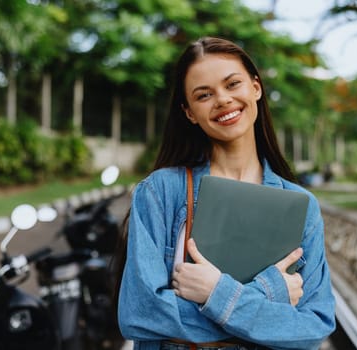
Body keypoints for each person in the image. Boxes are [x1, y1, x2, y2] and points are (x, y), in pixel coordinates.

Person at [116, 36, 335, 350]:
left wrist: (215, 292)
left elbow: (313, 328)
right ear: (189, 112)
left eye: (233, 84)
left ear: (256, 88)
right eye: (204, 95)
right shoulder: (159, 192)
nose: (222, 100)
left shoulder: (302, 207)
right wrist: (270, 295)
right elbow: (141, 314)